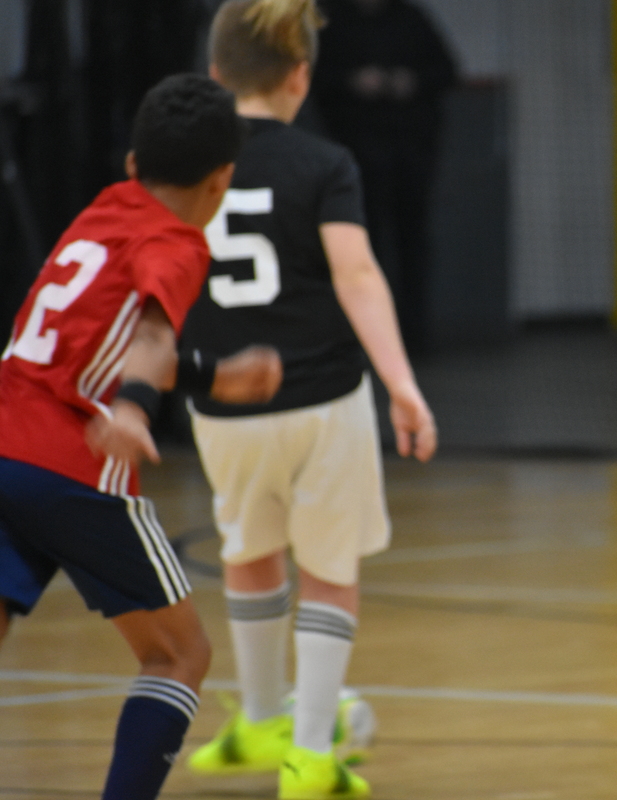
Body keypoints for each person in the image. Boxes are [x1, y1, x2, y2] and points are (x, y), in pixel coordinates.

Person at [182, 1, 438, 797]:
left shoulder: (184, 164)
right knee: (329, 571)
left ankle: (260, 718)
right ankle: (311, 756)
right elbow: (357, 275)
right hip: (321, 398)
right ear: (301, 75)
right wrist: (401, 383)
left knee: (248, 552)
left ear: (216, 75)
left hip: (223, 404)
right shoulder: (324, 164)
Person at [0, 73, 255, 800]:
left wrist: (212, 375)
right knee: (179, 655)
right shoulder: (178, 242)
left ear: (133, 163)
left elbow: (101, 339)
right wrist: (136, 409)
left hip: (3, 438)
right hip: (69, 467)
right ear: (222, 179)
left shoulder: (106, 208)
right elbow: (148, 337)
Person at [311, 0, 459, 351]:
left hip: (410, 151)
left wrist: (412, 81)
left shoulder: (411, 20)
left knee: (413, 244)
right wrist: (353, 82)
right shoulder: (337, 24)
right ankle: (364, 335)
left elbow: (448, 71)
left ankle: (415, 334)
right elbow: (318, 81)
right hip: (357, 156)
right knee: (363, 246)